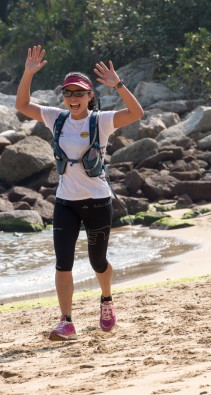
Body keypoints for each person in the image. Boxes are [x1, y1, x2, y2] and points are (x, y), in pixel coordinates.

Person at [15, 45, 144, 340]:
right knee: (63, 263)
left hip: (97, 202)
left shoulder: (101, 121)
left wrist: (118, 85)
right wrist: (28, 73)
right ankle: (66, 321)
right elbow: (22, 105)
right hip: (65, 204)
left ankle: (107, 299)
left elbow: (136, 113)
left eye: (79, 93)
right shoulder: (56, 118)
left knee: (98, 262)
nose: (73, 98)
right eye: (68, 93)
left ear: (90, 96)